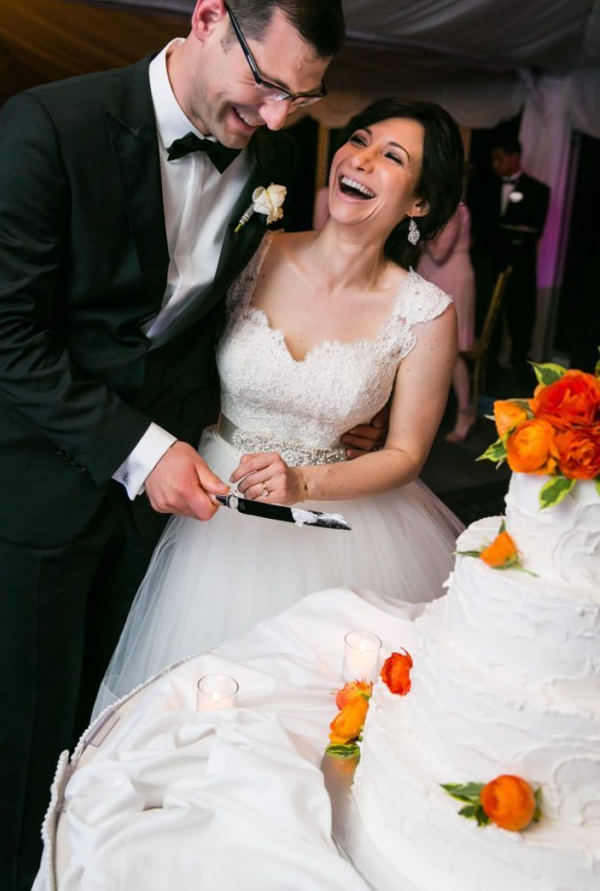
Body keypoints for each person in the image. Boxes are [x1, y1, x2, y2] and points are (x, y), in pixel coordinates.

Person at [0, 0, 353, 891]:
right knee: (29, 725)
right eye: (265, 85)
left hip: (167, 500)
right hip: (52, 484)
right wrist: (140, 449)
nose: (272, 117)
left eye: (297, 100)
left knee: (117, 709)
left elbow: (215, 316)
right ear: (209, 15)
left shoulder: (273, 149)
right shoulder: (53, 124)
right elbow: (3, 332)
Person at [95, 97, 466, 714]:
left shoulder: (426, 312)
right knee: (191, 703)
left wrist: (306, 477)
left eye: (392, 157)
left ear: (420, 203)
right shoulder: (254, 252)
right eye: (360, 140)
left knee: (321, 711)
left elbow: (405, 453)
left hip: (343, 529)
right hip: (211, 498)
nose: (361, 158)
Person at [469, 136, 549, 385]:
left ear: (514, 157)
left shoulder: (538, 190)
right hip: (489, 268)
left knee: (520, 322)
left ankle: (521, 380)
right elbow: (478, 227)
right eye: (493, 159)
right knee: (487, 323)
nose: (495, 164)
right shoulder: (483, 187)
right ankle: (486, 376)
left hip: (520, 270)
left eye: (500, 159)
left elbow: (533, 231)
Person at [418, 201, 476, 441]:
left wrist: (418, 229)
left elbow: (439, 251)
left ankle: (465, 412)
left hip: (451, 277)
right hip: (430, 276)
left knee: (454, 353)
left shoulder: (454, 209)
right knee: (423, 348)